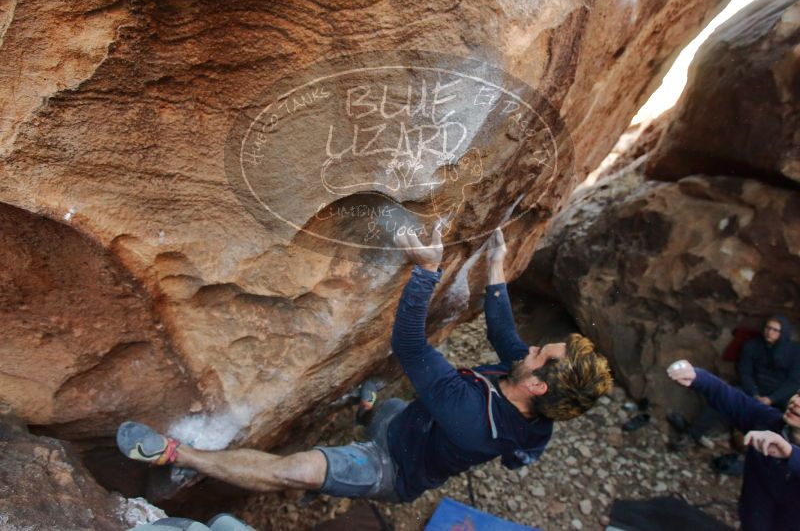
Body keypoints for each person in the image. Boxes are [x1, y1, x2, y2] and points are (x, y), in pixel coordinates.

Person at [116, 227, 613, 503]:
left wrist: (426, 272)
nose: (528, 350)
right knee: (385, 406)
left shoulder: (473, 420)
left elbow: (412, 347)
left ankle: (178, 457)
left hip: (393, 467)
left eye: (539, 356)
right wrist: (499, 259)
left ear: (539, 387)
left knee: (300, 470)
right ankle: (367, 406)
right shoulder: (534, 405)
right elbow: (504, 333)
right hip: (407, 419)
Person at [667, 359, 800, 530]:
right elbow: (731, 398)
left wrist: (791, 454)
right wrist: (698, 377)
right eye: (797, 394)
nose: (796, 402)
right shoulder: (768, 422)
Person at [739, 315, 800, 410]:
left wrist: (772, 399)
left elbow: (794, 381)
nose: (769, 332)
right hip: (754, 390)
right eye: (768, 328)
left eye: (775, 330)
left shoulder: (796, 351)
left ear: (783, 332)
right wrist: (754, 394)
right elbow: (745, 372)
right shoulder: (752, 345)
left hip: (780, 395)